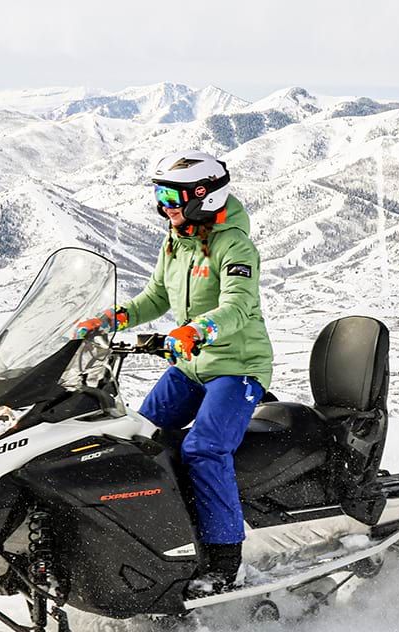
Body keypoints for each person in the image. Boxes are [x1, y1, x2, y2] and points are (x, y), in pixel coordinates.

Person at [73, 150, 273, 596]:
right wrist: (112, 319)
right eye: (160, 193)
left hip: (236, 369)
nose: (164, 204)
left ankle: (224, 559)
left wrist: (197, 330)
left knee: (205, 448)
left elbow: (238, 306)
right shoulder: (176, 242)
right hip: (190, 366)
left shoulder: (235, 245)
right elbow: (156, 297)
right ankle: (164, 539)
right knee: (140, 437)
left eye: (171, 195)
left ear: (203, 196)